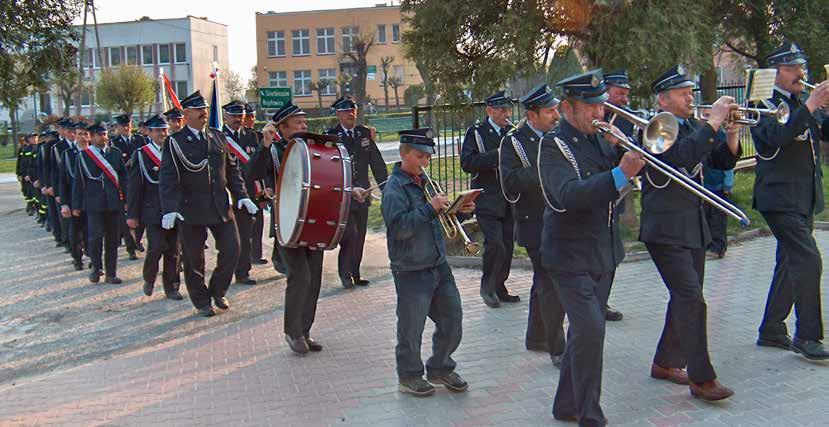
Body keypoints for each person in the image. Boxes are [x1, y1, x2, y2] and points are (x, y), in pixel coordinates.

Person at [538, 69, 644, 425]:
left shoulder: (599, 139)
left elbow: (615, 187)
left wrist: (622, 154)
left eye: (601, 105)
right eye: (591, 106)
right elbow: (568, 195)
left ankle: (564, 405)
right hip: (568, 255)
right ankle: (589, 415)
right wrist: (619, 173)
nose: (600, 113)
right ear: (568, 107)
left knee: (585, 331)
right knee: (591, 330)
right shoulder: (553, 145)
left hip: (602, 250)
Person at [642, 64, 741, 400]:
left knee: (685, 299)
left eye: (690, 92)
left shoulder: (692, 126)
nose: (690, 97)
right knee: (692, 301)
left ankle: (665, 362)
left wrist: (730, 131)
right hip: (665, 229)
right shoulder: (658, 127)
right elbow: (680, 157)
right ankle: (702, 378)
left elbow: (723, 163)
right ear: (663, 99)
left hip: (691, 226)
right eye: (683, 93)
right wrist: (713, 121)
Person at [751, 41, 829, 360]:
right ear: (776, 72)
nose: (801, 73)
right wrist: (809, 107)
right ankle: (807, 336)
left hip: (803, 196)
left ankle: (771, 329)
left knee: (788, 263)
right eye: (793, 68)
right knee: (809, 260)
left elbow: (821, 137)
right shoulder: (762, 102)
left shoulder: (799, 101)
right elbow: (775, 139)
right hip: (778, 197)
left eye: (802, 67)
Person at [382, 128, 473, 397]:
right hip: (411, 267)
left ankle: (440, 368)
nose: (425, 162)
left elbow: (443, 221)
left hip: (438, 264)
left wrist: (461, 211)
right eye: (420, 156)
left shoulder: (426, 183)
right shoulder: (394, 188)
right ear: (403, 154)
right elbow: (399, 228)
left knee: (453, 319)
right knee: (412, 327)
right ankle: (409, 375)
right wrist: (430, 208)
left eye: (428, 157)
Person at [158, 90, 257, 317]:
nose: (204, 113)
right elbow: (168, 178)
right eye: (198, 110)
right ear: (186, 113)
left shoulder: (217, 136)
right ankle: (201, 301)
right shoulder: (175, 142)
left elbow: (232, 170)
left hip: (220, 205)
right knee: (194, 259)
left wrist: (242, 195)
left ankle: (218, 290)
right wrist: (170, 208)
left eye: (204, 109)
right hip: (190, 208)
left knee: (233, 248)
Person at [248, 103, 330, 353]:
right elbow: (250, 172)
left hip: (313, 219)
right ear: (282, 128)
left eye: (305, 121)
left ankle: (305, 331)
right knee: (300, 276)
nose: (304, 125)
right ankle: (292, 332)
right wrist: (264, 143)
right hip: (287, 223)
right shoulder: (273, 150)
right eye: (298, 122)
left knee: (314, 278)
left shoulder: (312, 147)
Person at [499, 84, 566, 364]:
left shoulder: (559, 135)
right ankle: (557, 346)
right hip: (533, 222)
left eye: (556, 109)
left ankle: (536, 336)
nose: (556, 115)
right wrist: (544, 169)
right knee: (551, 281)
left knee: (544, 280)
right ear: (532, 114)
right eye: (550, 111)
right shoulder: (513, 142)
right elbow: (510, 184)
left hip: (560, 219)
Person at [460, 90, 517, 308]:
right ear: (489, 110)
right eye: (502, 110)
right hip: (486, 198)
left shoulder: (511, 133)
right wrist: (498, 154)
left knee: (508, 245)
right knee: (495, 244)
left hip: (509, 197)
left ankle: (500, 286)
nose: (506, 113)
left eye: (508, 109)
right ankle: (487, 287)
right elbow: (467, 162)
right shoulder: (476, 133)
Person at [325, 96, 388, 288]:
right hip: (343, 194)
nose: (350, 114)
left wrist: (387, 189)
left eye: (353, 110)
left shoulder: (363, 133)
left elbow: (376, 162)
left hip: (364, 194)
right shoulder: (331, 136)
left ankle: (356, 273)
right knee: (349, 234)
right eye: (345, 111)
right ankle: (345, 274)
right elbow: (328, 168)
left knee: (360, 235)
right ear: (338, 114)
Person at [127, 114, 183, 300]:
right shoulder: (142, 154)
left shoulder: (175, 150)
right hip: (153, 210)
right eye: (158, 130)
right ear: (149, 132)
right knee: (157, 246)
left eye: (165, 130)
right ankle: (149, 277)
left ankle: (172, 287)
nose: (163, 133)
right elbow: (135, 187)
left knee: (174, 251)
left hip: (174, 209)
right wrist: (132, 215)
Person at [72, 121, 128, 285]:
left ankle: (111, 273)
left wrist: (126, 200)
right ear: (92, 137)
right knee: (95, 238)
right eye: (99, 135)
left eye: (104, 134)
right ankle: (96, 269)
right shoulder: (84, 156)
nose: (103, 138)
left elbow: (124, 178)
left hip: (113, 203)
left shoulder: (115, 153)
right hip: (94, 204)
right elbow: (78, 181)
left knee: (112, 240)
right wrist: (75, 205)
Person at [601, 69, 636, 322]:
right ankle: (592, 302)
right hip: (596, 188)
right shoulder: (594, 115)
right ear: (606, 92)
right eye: (619, 93)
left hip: (618, 188)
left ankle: (602, 301)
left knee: (613, 251)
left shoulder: (627, 118)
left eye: (626, 94)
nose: (624, 98)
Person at [222, 100, 260, 285]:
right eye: (234, 116)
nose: (238, 119)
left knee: (245, 235)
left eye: (240, 115)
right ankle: (227, 271)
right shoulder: (217, 137)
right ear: (225, 116)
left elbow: (260, 164)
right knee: (228, 240)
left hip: (247, 194)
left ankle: (243, 272)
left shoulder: (252, 136)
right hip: (225, 195)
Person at [110, 113, 141, 259]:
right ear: (118, 128)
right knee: (126, 216)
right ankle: (130, 248)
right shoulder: (114, 143)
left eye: (128, 125)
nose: (126, 128)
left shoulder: (139, 139)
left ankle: (138, 240)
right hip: (124, 183)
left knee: (140, 213)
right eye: (123, 126)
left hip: (140, 181)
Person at [58, 122, 86, 271]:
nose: (83, 137)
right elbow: (62, 180)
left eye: (85, 134)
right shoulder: (68, 154)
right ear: (75, 135)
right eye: (80, 133)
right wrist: (64, 203)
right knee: (75, 232)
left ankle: (94, 259)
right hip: (73, 199)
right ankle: (77, 258)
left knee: (93, 232)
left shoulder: (95, 154)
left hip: (91, 201)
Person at [243, 102, 269, 266]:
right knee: (243, 223)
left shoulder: (256, 137)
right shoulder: (230, 137)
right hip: (241, 185)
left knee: (258, 220)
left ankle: (256, 254)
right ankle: (243, 255)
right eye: (248, 116)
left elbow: (263, 163)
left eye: (252, 116)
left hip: (257, 185)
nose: (251, 120)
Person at [703, 160, 733, 259]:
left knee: (718, 219)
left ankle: (718, 247)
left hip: (719, 188)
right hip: (705, 187)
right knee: (706, 217)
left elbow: (728, 166)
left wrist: (728, 184)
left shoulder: (721, 146)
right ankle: (708, 245)